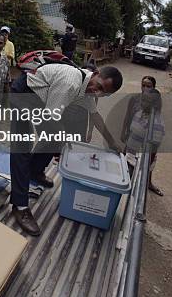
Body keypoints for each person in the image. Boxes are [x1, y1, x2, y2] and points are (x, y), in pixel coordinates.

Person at [9, 64, 123, 235]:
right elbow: (50, 118)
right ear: (96, 73)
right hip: (23, 94)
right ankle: (20, 206)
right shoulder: (70, 83)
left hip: (41, 98)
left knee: (56, 138)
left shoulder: (87, 86)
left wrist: (112, 142)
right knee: (22, 148)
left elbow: (95, 115)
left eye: (103, 93)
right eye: (99, 87)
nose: (97, 93)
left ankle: (34, 170)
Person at [121, 76, 165, 196]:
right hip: (133, 135)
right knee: (127, 160)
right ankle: (123, 183)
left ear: (153, 87)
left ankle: (147, 183)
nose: (145, 88)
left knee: (146, 163)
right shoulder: (134, 99)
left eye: (148, 86)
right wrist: (123, 132)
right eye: (143, 85)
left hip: (146, 140)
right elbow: (127, 116)